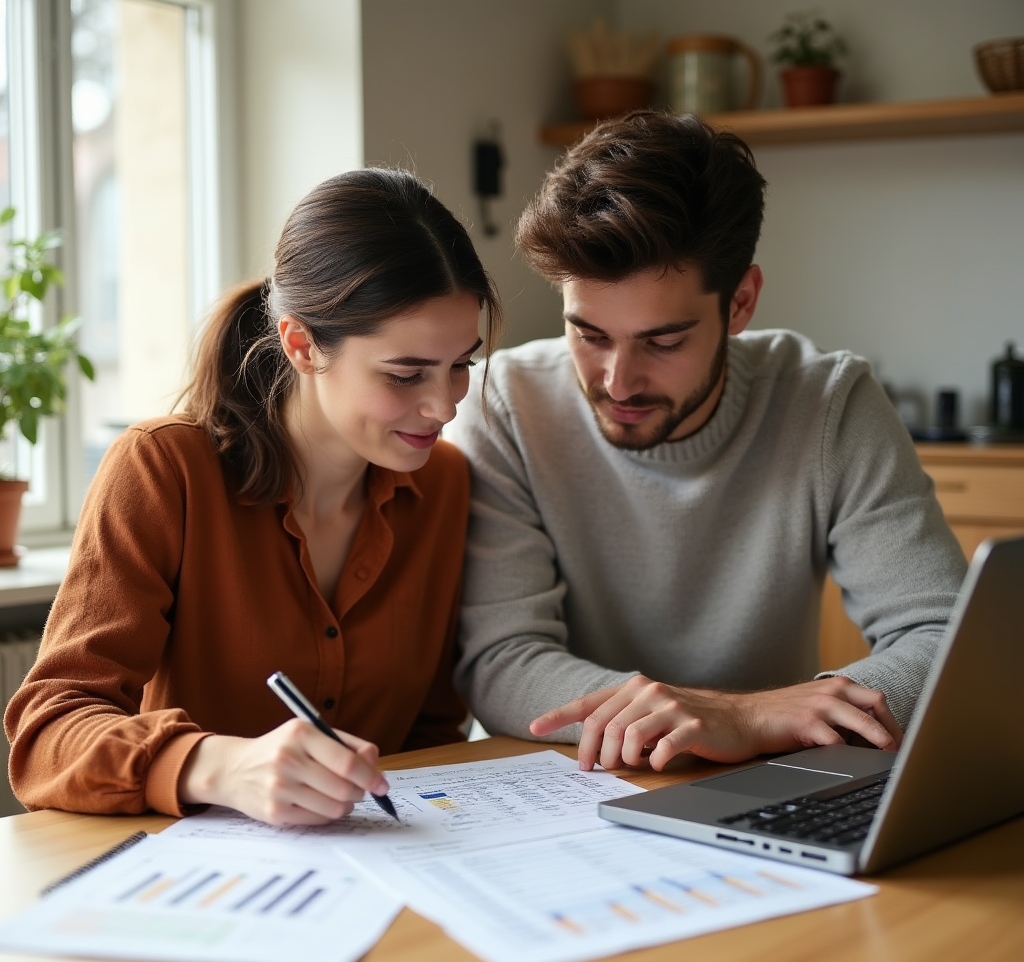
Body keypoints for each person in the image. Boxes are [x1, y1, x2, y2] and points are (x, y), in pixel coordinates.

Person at [447, 112, 966, 774]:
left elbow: (945, 639)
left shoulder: (828, 401)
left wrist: (747, 720)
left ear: (741, 303)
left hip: (766, 782)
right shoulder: (504, 402)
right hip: (573, 788)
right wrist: (704, 717)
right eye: (590, 334)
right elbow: (501, 661)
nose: (617, 380)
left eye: (663, 341)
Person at [5, 168, 500, 825]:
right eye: (405, 373)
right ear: (301, 344)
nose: (443, 405)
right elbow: (47, 734)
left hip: (386, 871)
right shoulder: (163, 470)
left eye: (461, 364)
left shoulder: (443, 485)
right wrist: (221, 766)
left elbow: (432, 732)